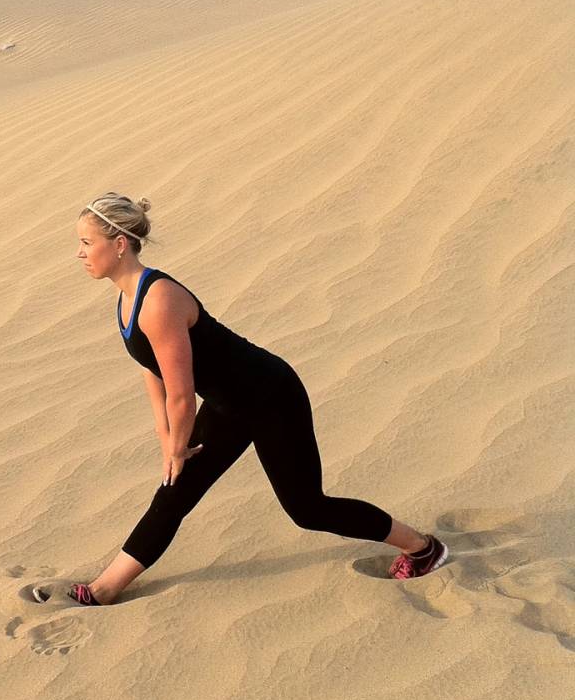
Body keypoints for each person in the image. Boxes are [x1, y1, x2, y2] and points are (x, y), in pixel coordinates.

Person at [39, 192, 449, 607]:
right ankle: (105, 589)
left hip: (271, 396)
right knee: (174, 493)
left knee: (307, 509)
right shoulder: (127, 299)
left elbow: (181, 395)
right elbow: (153, 368)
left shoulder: (158, 300)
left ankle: (421, 547)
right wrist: (166, 438)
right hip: (229, 404)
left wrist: (178, 446)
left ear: (119, 244)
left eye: (87, 243)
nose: (79, 253)